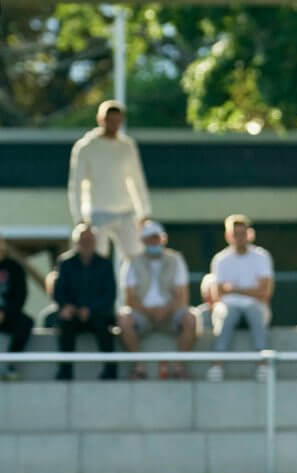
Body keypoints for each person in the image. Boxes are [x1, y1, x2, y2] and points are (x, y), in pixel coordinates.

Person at [68, 100, 151, 262]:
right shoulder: (86, 147)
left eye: (118, 121)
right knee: (97, 260)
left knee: (137, 258)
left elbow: (137, 180)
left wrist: (144, 213)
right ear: (101, 120)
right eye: (110, 120)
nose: (114, 125)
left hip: (126, 212)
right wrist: (79, 220)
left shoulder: (127, 146)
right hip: (98, 213)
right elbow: (76, 185)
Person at [117, 221, 197, 379]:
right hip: (142, 313)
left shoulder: (175, 259)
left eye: (156, 238)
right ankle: (139, 365)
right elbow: (130, 297)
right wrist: (148, 311)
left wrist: (165, 310)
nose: (153, 242)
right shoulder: (132, 262)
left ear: (163, 239)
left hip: (170, 313)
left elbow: (181, 295)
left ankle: (178, 365)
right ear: (143, 241)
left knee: (191, 319)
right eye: (149, 239)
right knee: (124, 320)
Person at [207, 214, 274, 382]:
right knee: (225, 315)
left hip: (255, 306)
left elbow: (265, 292)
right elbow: (218, 294)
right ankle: (217, 365)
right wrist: (250, 290)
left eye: (242, 233)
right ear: (228, 236)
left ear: (249, 234)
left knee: (256, 314)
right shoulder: (220, 260)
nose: (239, 237)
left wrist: (234, 289)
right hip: (229, 306)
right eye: (235, 233)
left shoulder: (262, 256)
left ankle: (263, 364)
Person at [54, 224, 117, 380]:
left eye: (90, 240)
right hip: (73, 314)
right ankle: (65, 372)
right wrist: (68, 307)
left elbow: (110, 294)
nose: (86, 243)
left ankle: (110, 371)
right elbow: (59, 291)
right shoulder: (66, 263)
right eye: (83, 240)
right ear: (76, 242)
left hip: (98, 314)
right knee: (65, 324)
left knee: (105, 328)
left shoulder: (105, 264)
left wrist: (91, 309)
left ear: (95, 242)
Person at [0, 233, 33, 381]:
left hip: (9, 315)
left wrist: (5, 313)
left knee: (25, 322)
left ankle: (10, 365)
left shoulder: (14, 268)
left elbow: (20, 295)